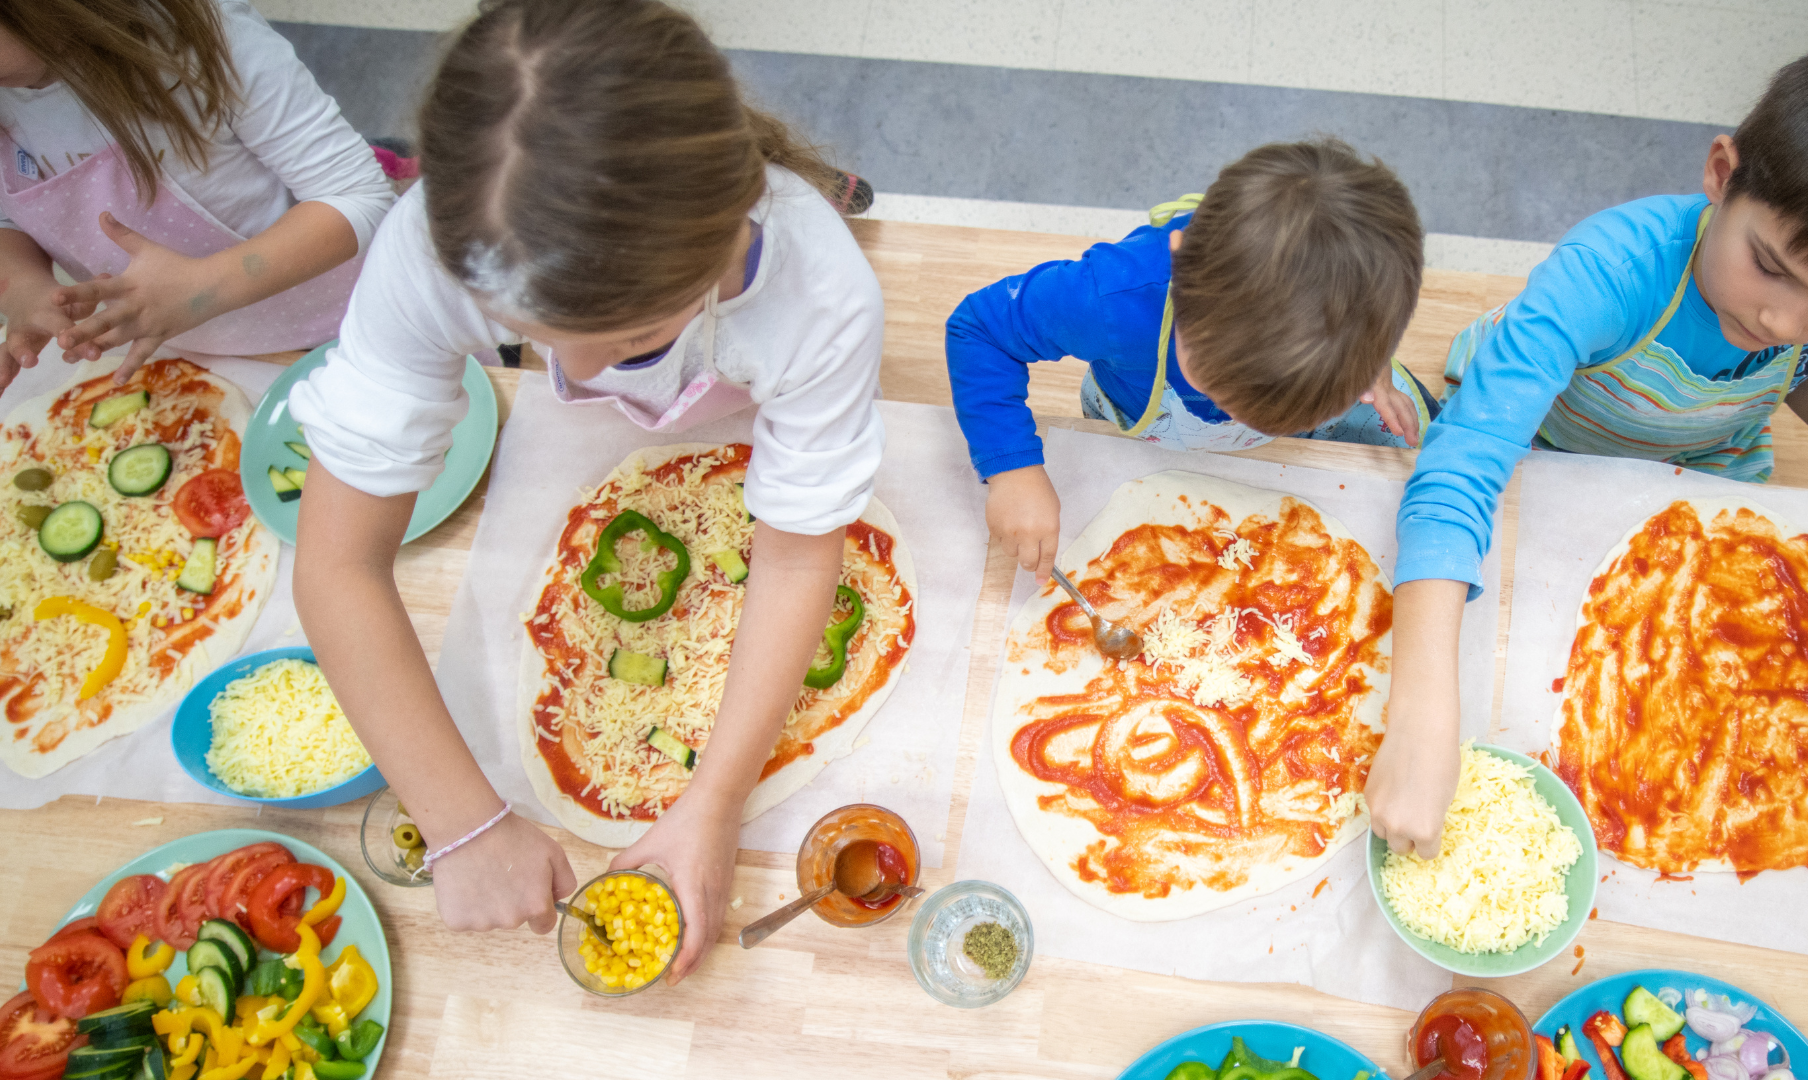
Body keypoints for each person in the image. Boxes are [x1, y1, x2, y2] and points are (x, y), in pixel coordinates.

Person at [287, 0, 884, 983]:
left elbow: (794, 554)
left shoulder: (819, 291)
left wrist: (713, 801)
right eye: (527, 337)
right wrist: (463, 822)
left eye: (632, 344)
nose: (572, 369)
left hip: (750, 412)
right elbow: (337, 566)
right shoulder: (429, 249)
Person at [1369, 34, 1808, 859]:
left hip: (1696, 468)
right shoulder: (1609, 274)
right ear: (1722, 173)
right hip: (1542, 443)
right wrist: (1421, 714)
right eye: (1768, 267)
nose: (1783, 323)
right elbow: (1463, 467)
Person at [945, 139, 1432, 580]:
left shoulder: (1357, 299)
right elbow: (979, 329)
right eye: (1218, 387)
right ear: (1180, 263)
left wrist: (1374, 369)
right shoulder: (1109, 300)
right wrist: (1012, 470)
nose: (1237, 413)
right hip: (1147, 412)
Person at [0, 0, 393, 390]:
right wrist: (21, 283)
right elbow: (8, 216)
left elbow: (357, 197)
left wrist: (201, 288)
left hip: (338, 326)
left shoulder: (206, 38)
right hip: (184, 349)